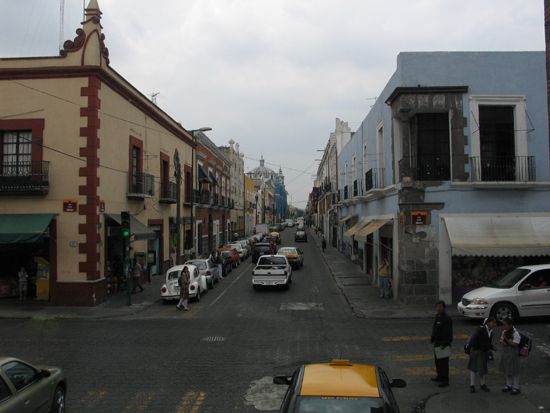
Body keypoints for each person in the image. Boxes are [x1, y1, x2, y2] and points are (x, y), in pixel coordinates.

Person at [467, 317, 497, 392]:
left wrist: (492, 348)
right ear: (488, 322)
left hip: (483, 351)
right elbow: (473, 338)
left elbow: (488, 343)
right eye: (493, 322)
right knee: (474, 368)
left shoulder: (490, 331)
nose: (495, 324)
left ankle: (481, 384)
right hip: (477, 350)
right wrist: (475, 348)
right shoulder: (481, 329)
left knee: (482, 368)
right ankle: (472, 385)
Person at [431, 300, 453, 387]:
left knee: (444, 363)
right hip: (437, 343)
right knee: (437, 362)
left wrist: (445, 343)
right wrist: (432, 337)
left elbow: (449, 333)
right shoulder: (437, 316)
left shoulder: (447, 318)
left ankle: (445, 380)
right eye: (437, 307)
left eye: (440, 307)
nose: (438, 308)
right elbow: (435, 327)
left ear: (443, 308)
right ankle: (439, 376)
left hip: (444, 344)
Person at [499, 317, 521, 395]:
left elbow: (515, 344)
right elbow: (501, 341)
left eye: (505, 325)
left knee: (514, 370)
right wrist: (504, 342)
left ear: (510, 325)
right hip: (506, 353)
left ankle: (516, 387)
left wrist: (506, 340)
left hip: (513, 353)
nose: (504, 327)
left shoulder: (515, 333)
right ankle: (508, 385)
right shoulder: (504, 332)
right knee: (507, 369)